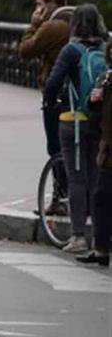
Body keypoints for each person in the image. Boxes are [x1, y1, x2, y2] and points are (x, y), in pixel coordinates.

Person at [44, 4, 109, 254]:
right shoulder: (106, 49)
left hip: (74, 120)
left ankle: (79, 236)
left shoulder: (70, 51)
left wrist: (49, 103)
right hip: (101, 122)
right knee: (97, 178)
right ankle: (100, 237)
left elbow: (53, 84)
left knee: (76, 178)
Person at [19, 0, 74, 216]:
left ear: (50, 3)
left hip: (58, 95)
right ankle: (78, 200)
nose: (37, 8)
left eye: (39, 3)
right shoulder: (77, 23)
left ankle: (60, 199)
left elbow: (26, 49)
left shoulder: (53, 27)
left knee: (57, 147)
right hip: (80, 95)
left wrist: (34, 24)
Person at [77, 43, 112, 267]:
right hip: (108, 147)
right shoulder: (108, 76)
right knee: (101, 196)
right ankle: (101, 248)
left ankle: (101, 248)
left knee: (102, 196)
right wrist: (95, 97)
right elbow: (94, 108)